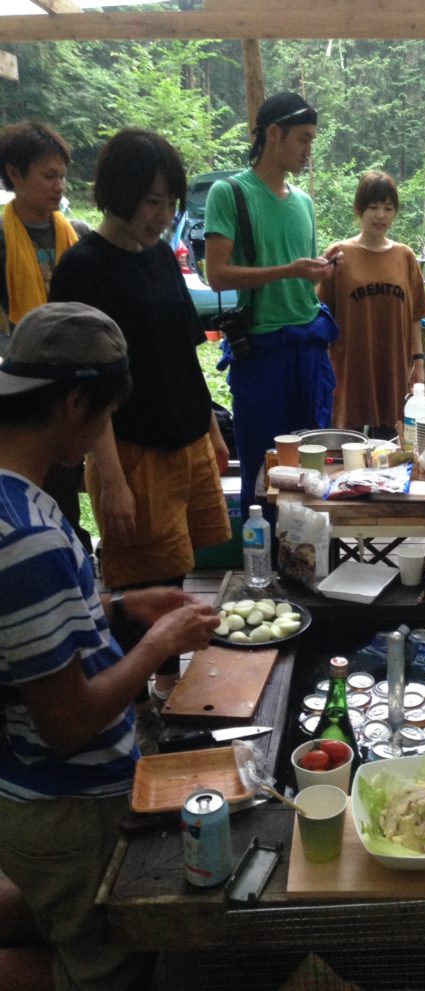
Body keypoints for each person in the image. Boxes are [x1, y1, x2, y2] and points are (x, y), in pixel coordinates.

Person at [0, 301, 220, 990]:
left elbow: (30, 631)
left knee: (64, 922)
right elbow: (68, 722)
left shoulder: (20, 502)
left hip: (31, 795)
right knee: (103, 971)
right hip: (68, 805)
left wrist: (120, 607)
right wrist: (157, 643)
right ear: (74, 403)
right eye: (108, 414)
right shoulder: (25, 536)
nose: (107, 432)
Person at [49, 128, 231, 712]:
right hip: (131, 449)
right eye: (153, 201)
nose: (164, 215)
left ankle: (168, 688)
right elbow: (87, 388)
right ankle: (135, 698)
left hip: (186, 436)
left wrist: (211, 430)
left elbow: (183, 352)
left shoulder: (157, 256)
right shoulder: (83, 268)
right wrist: (113, 478)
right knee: (142, 580)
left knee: (179, 571)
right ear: (120, 194)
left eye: (170, 202)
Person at [204, 91, 342, 514]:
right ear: (274, 134)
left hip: (310, 351)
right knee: (265, 471)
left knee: (312, 470)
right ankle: (263, 552)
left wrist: (320, 272)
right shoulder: (230, 193)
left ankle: (310, 548)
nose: (308, 150)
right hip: (262, 354)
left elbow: (303, 280)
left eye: (312, 140)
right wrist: (288, 270)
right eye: (303, 139)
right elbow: (217, 274)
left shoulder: (304, 203)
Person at [0, 120, 91, 551]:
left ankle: (73, 549)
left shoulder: (76, 235)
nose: (59, 186)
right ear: (14, 174)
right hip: (24, 378)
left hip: (76, 373)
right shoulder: (2, 239)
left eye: (62, 176)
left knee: (71, 477)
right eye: (48, 175)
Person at [317, 170, 425, 436]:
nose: (381, 215)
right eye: (373, 207)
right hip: (349, 367)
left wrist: (418, 363)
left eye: (388, 208)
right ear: (359, 209)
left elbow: (415, 315)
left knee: (392, 443)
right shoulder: (339, 254)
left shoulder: (405, 256)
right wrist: (323, 366)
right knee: (347, 443)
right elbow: (322, 315)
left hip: (392, 366)